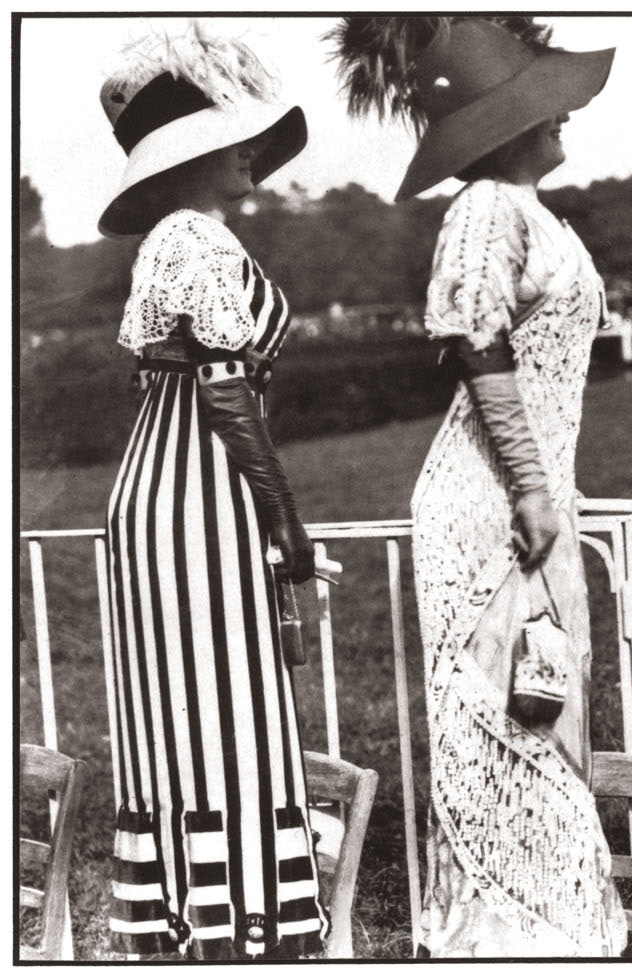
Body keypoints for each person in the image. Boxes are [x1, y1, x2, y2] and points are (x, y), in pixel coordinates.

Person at [330, 17, 626, 956]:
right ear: (512, 123)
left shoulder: (534, 213)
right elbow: (476, 343)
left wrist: (550, 493)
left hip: (532, 494)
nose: (564, 118)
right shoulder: (488, 209)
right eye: (547, 106)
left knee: (542, 701)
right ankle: (499, 940)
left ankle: (548, 927)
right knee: (504, 712)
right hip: (490, 500)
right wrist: (536, 490)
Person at [98, 23, 328, 959]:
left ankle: (205, 915)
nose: (249, 149)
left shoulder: (185, 238)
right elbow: (227, 392)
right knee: (221, 704)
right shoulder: (191, 237)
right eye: (229, 135)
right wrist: (290, 530)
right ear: (185, 154)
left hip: (172, 491)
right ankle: (235, 923)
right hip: (199, 500)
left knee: (197, 706)